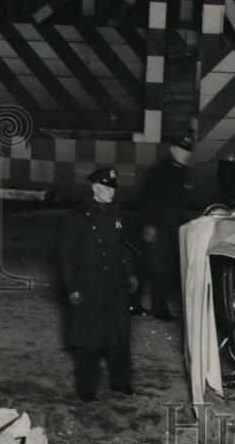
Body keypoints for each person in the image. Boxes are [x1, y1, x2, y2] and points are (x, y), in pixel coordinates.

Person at [60, 167, 138, 402]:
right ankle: (86, 389)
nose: (110, 191)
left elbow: (124, 246)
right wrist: (72, 287)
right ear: (94, 187)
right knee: (89, 340)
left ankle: (121, 382)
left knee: (121, 336)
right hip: (91, 286)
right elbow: (67, 254)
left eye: (113, 187)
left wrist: (130, 273)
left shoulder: (117, 212)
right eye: (105, 187)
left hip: (116, 285)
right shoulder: (79, 215)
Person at [138, 136, 194, 321]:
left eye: (188, 151)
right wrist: (149, 225)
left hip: (171, 227)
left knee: (149, 267)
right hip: (157, 227)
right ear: (173, 150)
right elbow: (148, 199)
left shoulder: (183, 171)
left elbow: (177, 203)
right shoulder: (160, 171)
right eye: (182, 150)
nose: (185, 154)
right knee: (160, 269)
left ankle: (134, 302)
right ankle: (159, 310)